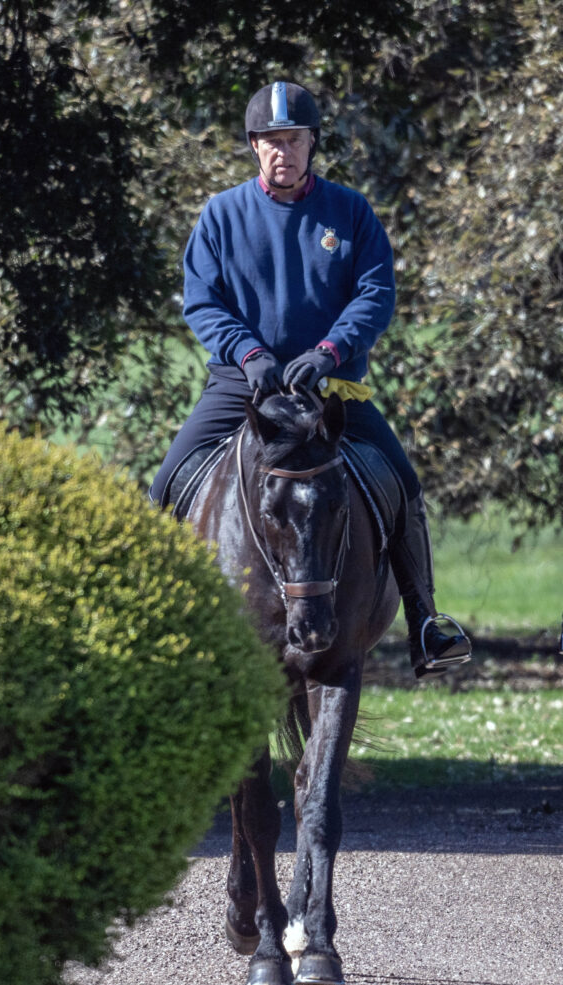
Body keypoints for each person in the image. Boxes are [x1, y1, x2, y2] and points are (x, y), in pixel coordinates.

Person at [150, 81, 471, 679]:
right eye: (271, 141)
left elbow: (375, 295)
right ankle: (152, 622)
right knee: (167, 481)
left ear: (312, 143)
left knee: (402, 483)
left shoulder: (350, 212)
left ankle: (427, 623)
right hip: (242, 387)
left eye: (294, 139)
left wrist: (329, 351)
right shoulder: (221, 215)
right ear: (254, 146)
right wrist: (248, 353)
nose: (283, 151)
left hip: (329, 390)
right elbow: (201, 300)